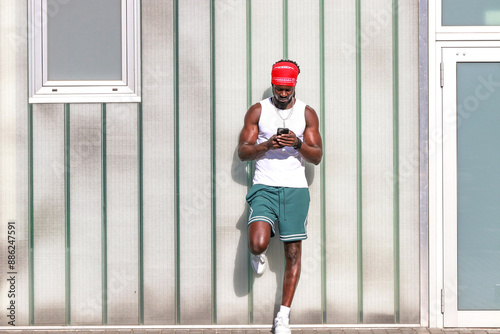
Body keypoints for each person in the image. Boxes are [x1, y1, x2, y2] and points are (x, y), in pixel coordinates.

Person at [238, 60, 323, 334]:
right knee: (257, 243)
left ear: (294, 85)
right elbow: (243, 152)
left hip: (295, 189)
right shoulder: (258, 110)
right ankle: (257, 254)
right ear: (272, 84)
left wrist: (298, 144)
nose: (283, 93)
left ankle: (283, 317)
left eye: (287, 89)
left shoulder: (307, 113)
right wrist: (266, 145)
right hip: (264, 185)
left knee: (293, 253)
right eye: (278, 88)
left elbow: (318, 156)